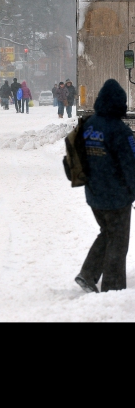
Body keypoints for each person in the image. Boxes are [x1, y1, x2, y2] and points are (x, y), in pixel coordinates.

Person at [75, 79, 135, 293]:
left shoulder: (88, 124)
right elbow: (131, 166)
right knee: (118, 242)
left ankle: (88, 274)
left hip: (93, 195)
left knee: (107, 233)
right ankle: (113, 289)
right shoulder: (120, 132)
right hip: (117, 198)